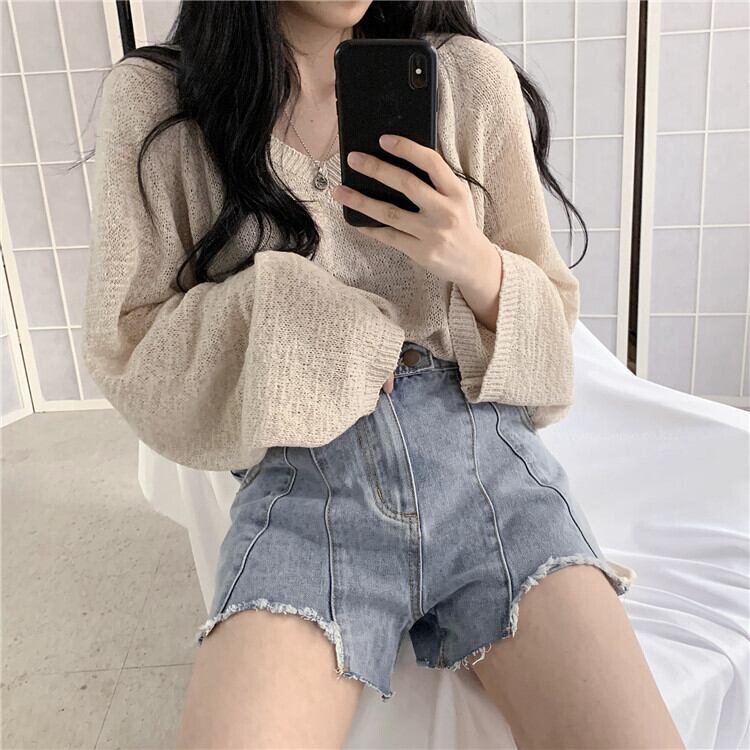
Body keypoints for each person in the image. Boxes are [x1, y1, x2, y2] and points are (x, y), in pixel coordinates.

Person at [81, 1, 685, 748]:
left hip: (487, 473)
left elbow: (549, 337)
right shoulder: (161, 100)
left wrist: (475, 260)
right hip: (304, 492)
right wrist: (317, 319)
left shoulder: (467, 80)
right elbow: (133, 347)